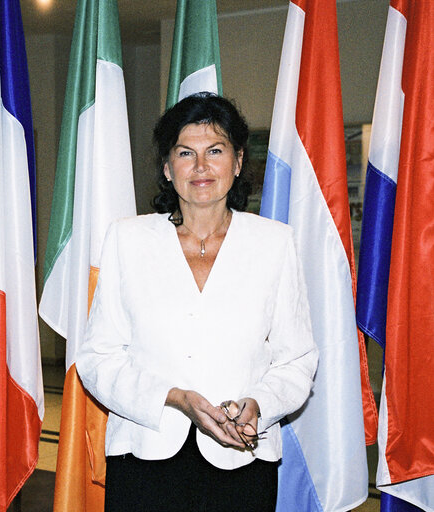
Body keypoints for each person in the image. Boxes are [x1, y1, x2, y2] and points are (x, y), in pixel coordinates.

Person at [75, 92, 319, 511]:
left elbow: (297, 358)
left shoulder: (274, 243)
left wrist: (258, 405)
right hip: (144, 455)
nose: (201, 167)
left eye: (216, 150)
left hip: (241, 457)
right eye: (186, 152)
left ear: (238, 162)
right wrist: (174, 397)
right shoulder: (127, 240)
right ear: (168, 168)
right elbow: (98, 357)